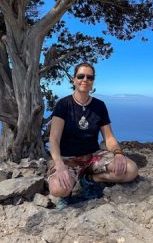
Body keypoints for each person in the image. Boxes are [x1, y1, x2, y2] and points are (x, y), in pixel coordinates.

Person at [48, 62, 138, 209]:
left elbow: (108, 137)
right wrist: (59, 164)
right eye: (81, 76)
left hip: (92, 157)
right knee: (58, 189)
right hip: (67, 159)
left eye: (89, 77)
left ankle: (89, 179)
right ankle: (69, 187)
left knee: (131, 170)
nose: (85, 80)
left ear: (93, 81)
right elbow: (54, 139)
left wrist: (118, 154)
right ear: (73, 79)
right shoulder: (63, 105)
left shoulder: (99, 106)